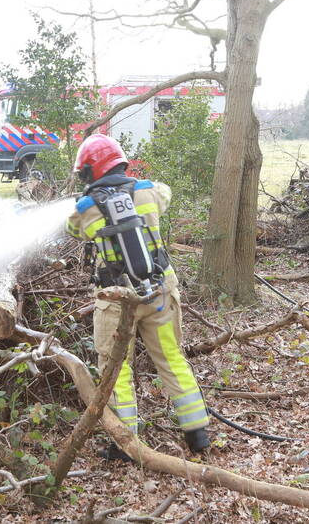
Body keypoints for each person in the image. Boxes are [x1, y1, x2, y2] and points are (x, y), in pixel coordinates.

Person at [65, 134, 210, 459]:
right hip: (160, 292)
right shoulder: (147, 191)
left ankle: (124, 442)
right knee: (171, 359)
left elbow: (73, 230)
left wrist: (84, 201)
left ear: (91, 171)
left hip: (118, 301)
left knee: (117, 368)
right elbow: (166, 195)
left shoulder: (86, 209)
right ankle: (198, 434)